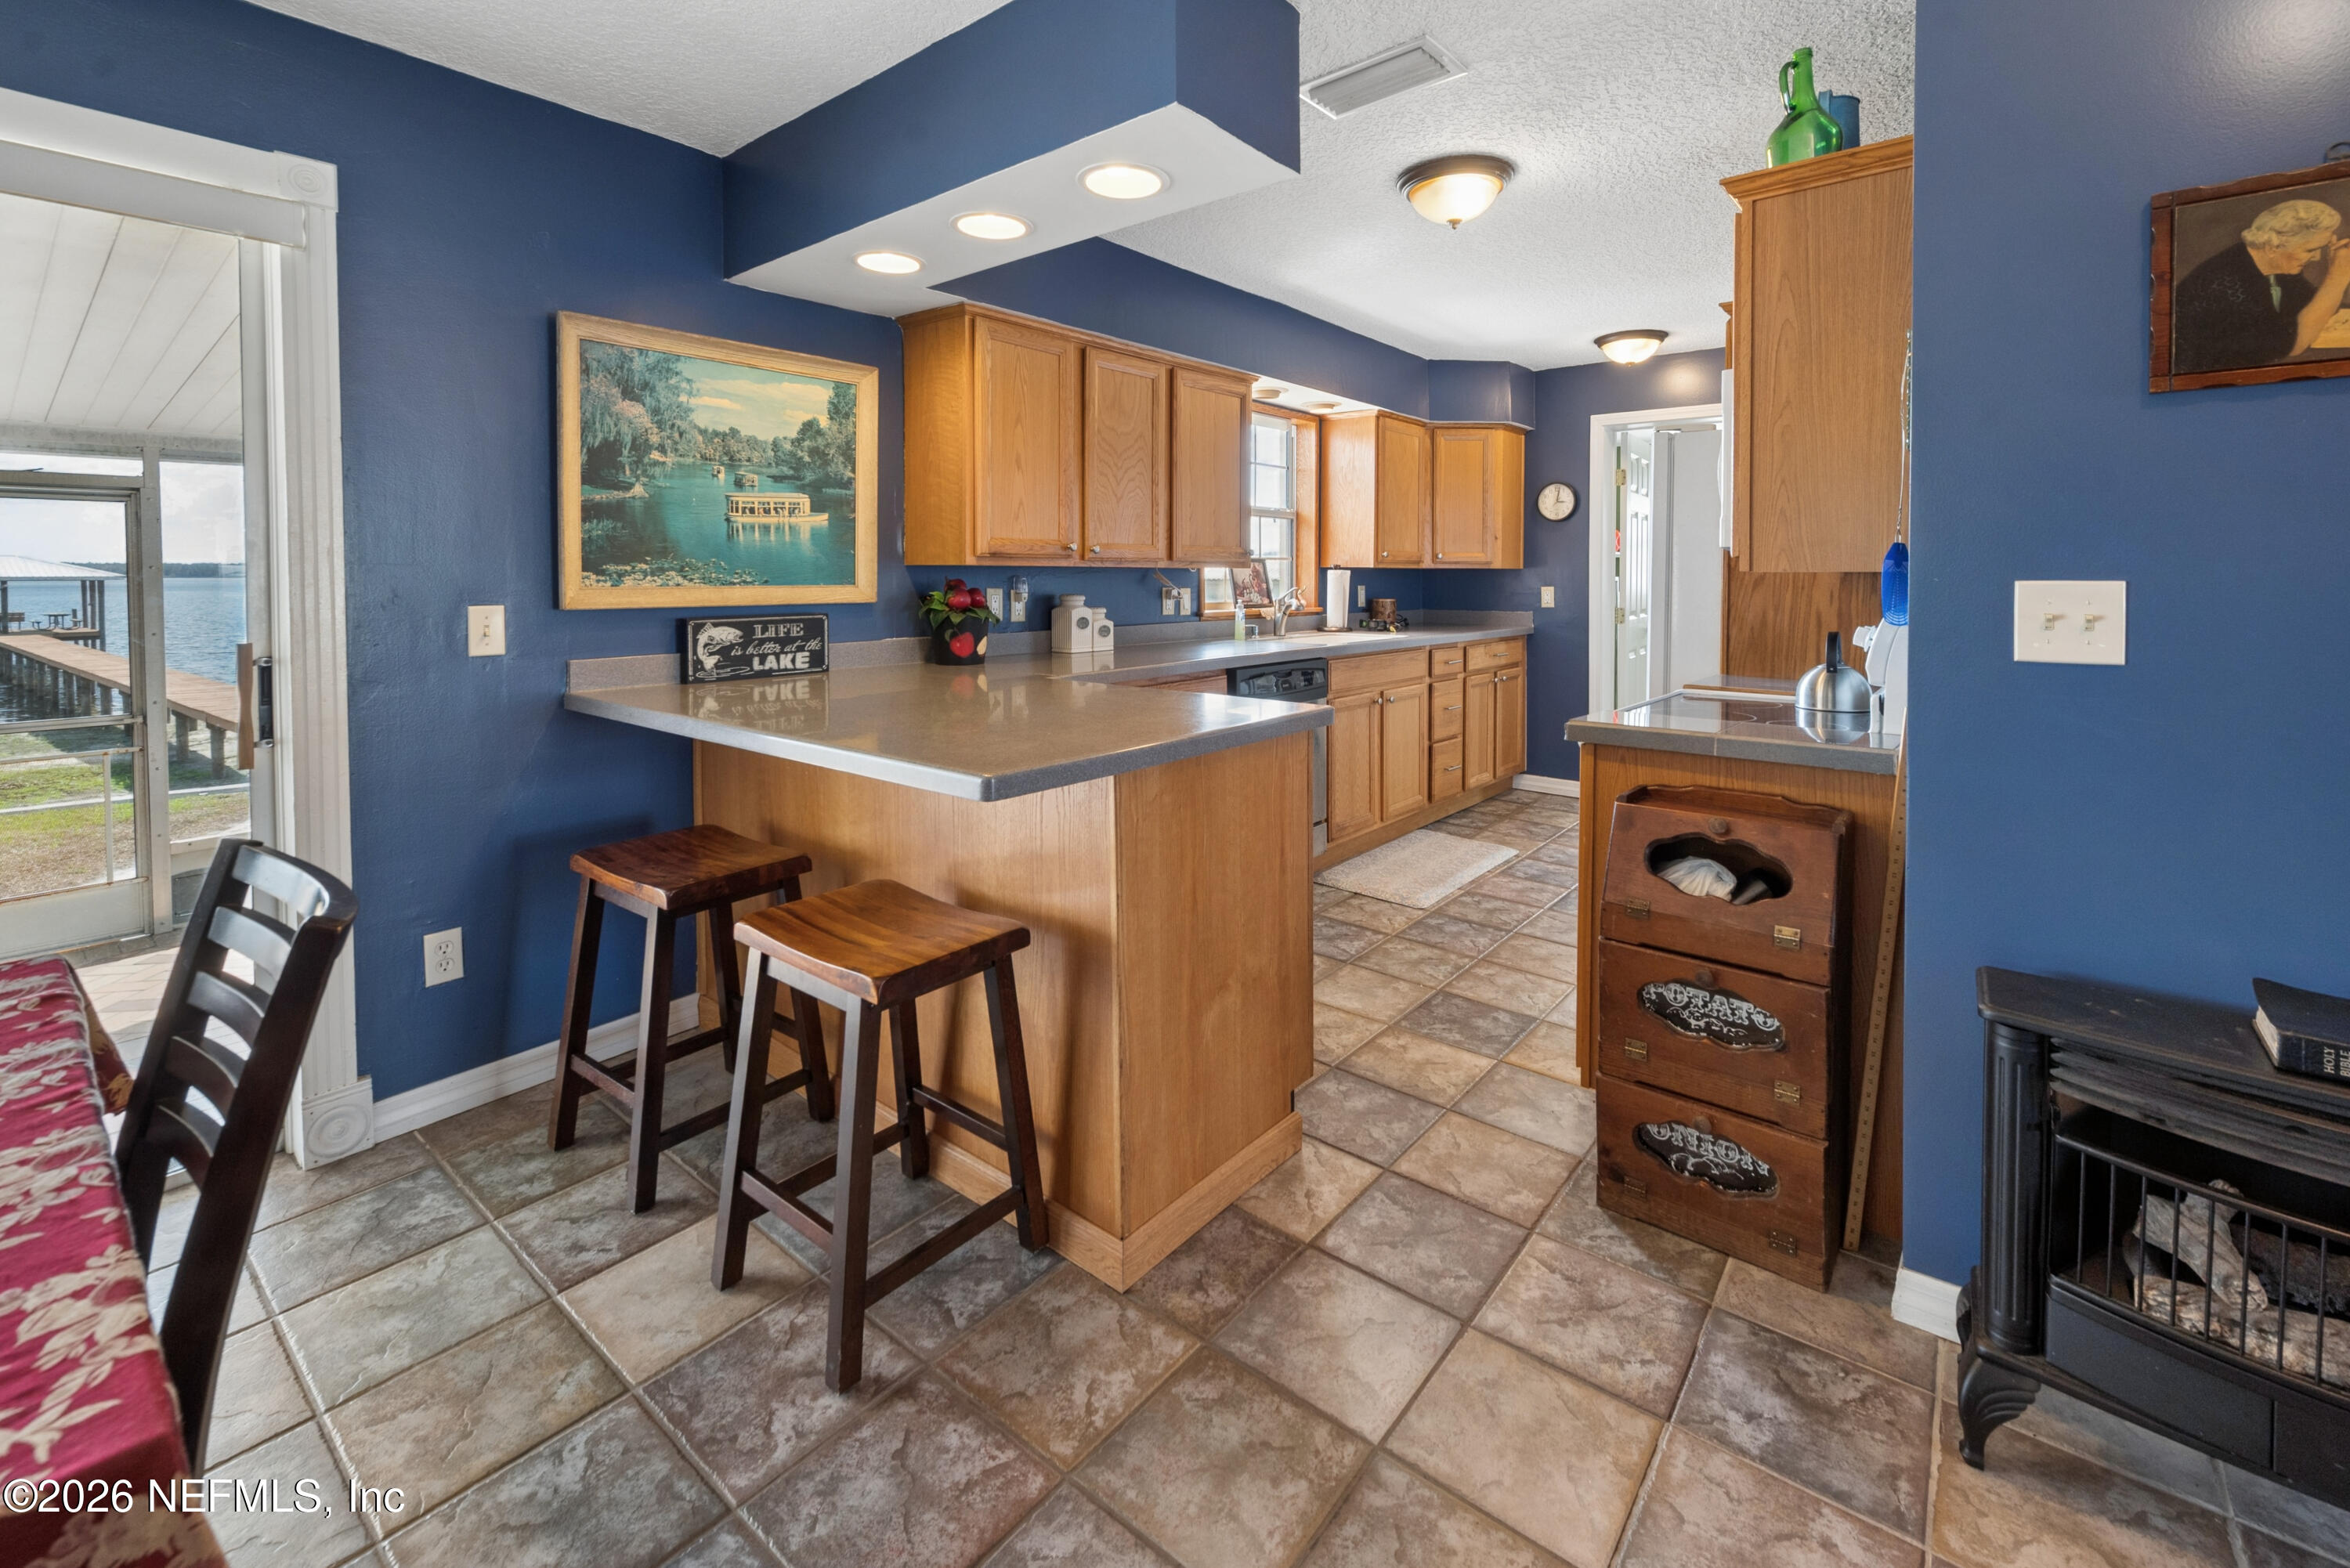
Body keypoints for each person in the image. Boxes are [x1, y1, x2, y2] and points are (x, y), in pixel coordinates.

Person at [2171, 197, 2350, 373]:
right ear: (2272, 247)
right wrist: (2336, 279)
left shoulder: (2279, 267)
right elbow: (2290, 344)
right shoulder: (2226, 284)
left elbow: (2315, 307)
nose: (2318, 257)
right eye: (2310, 250)